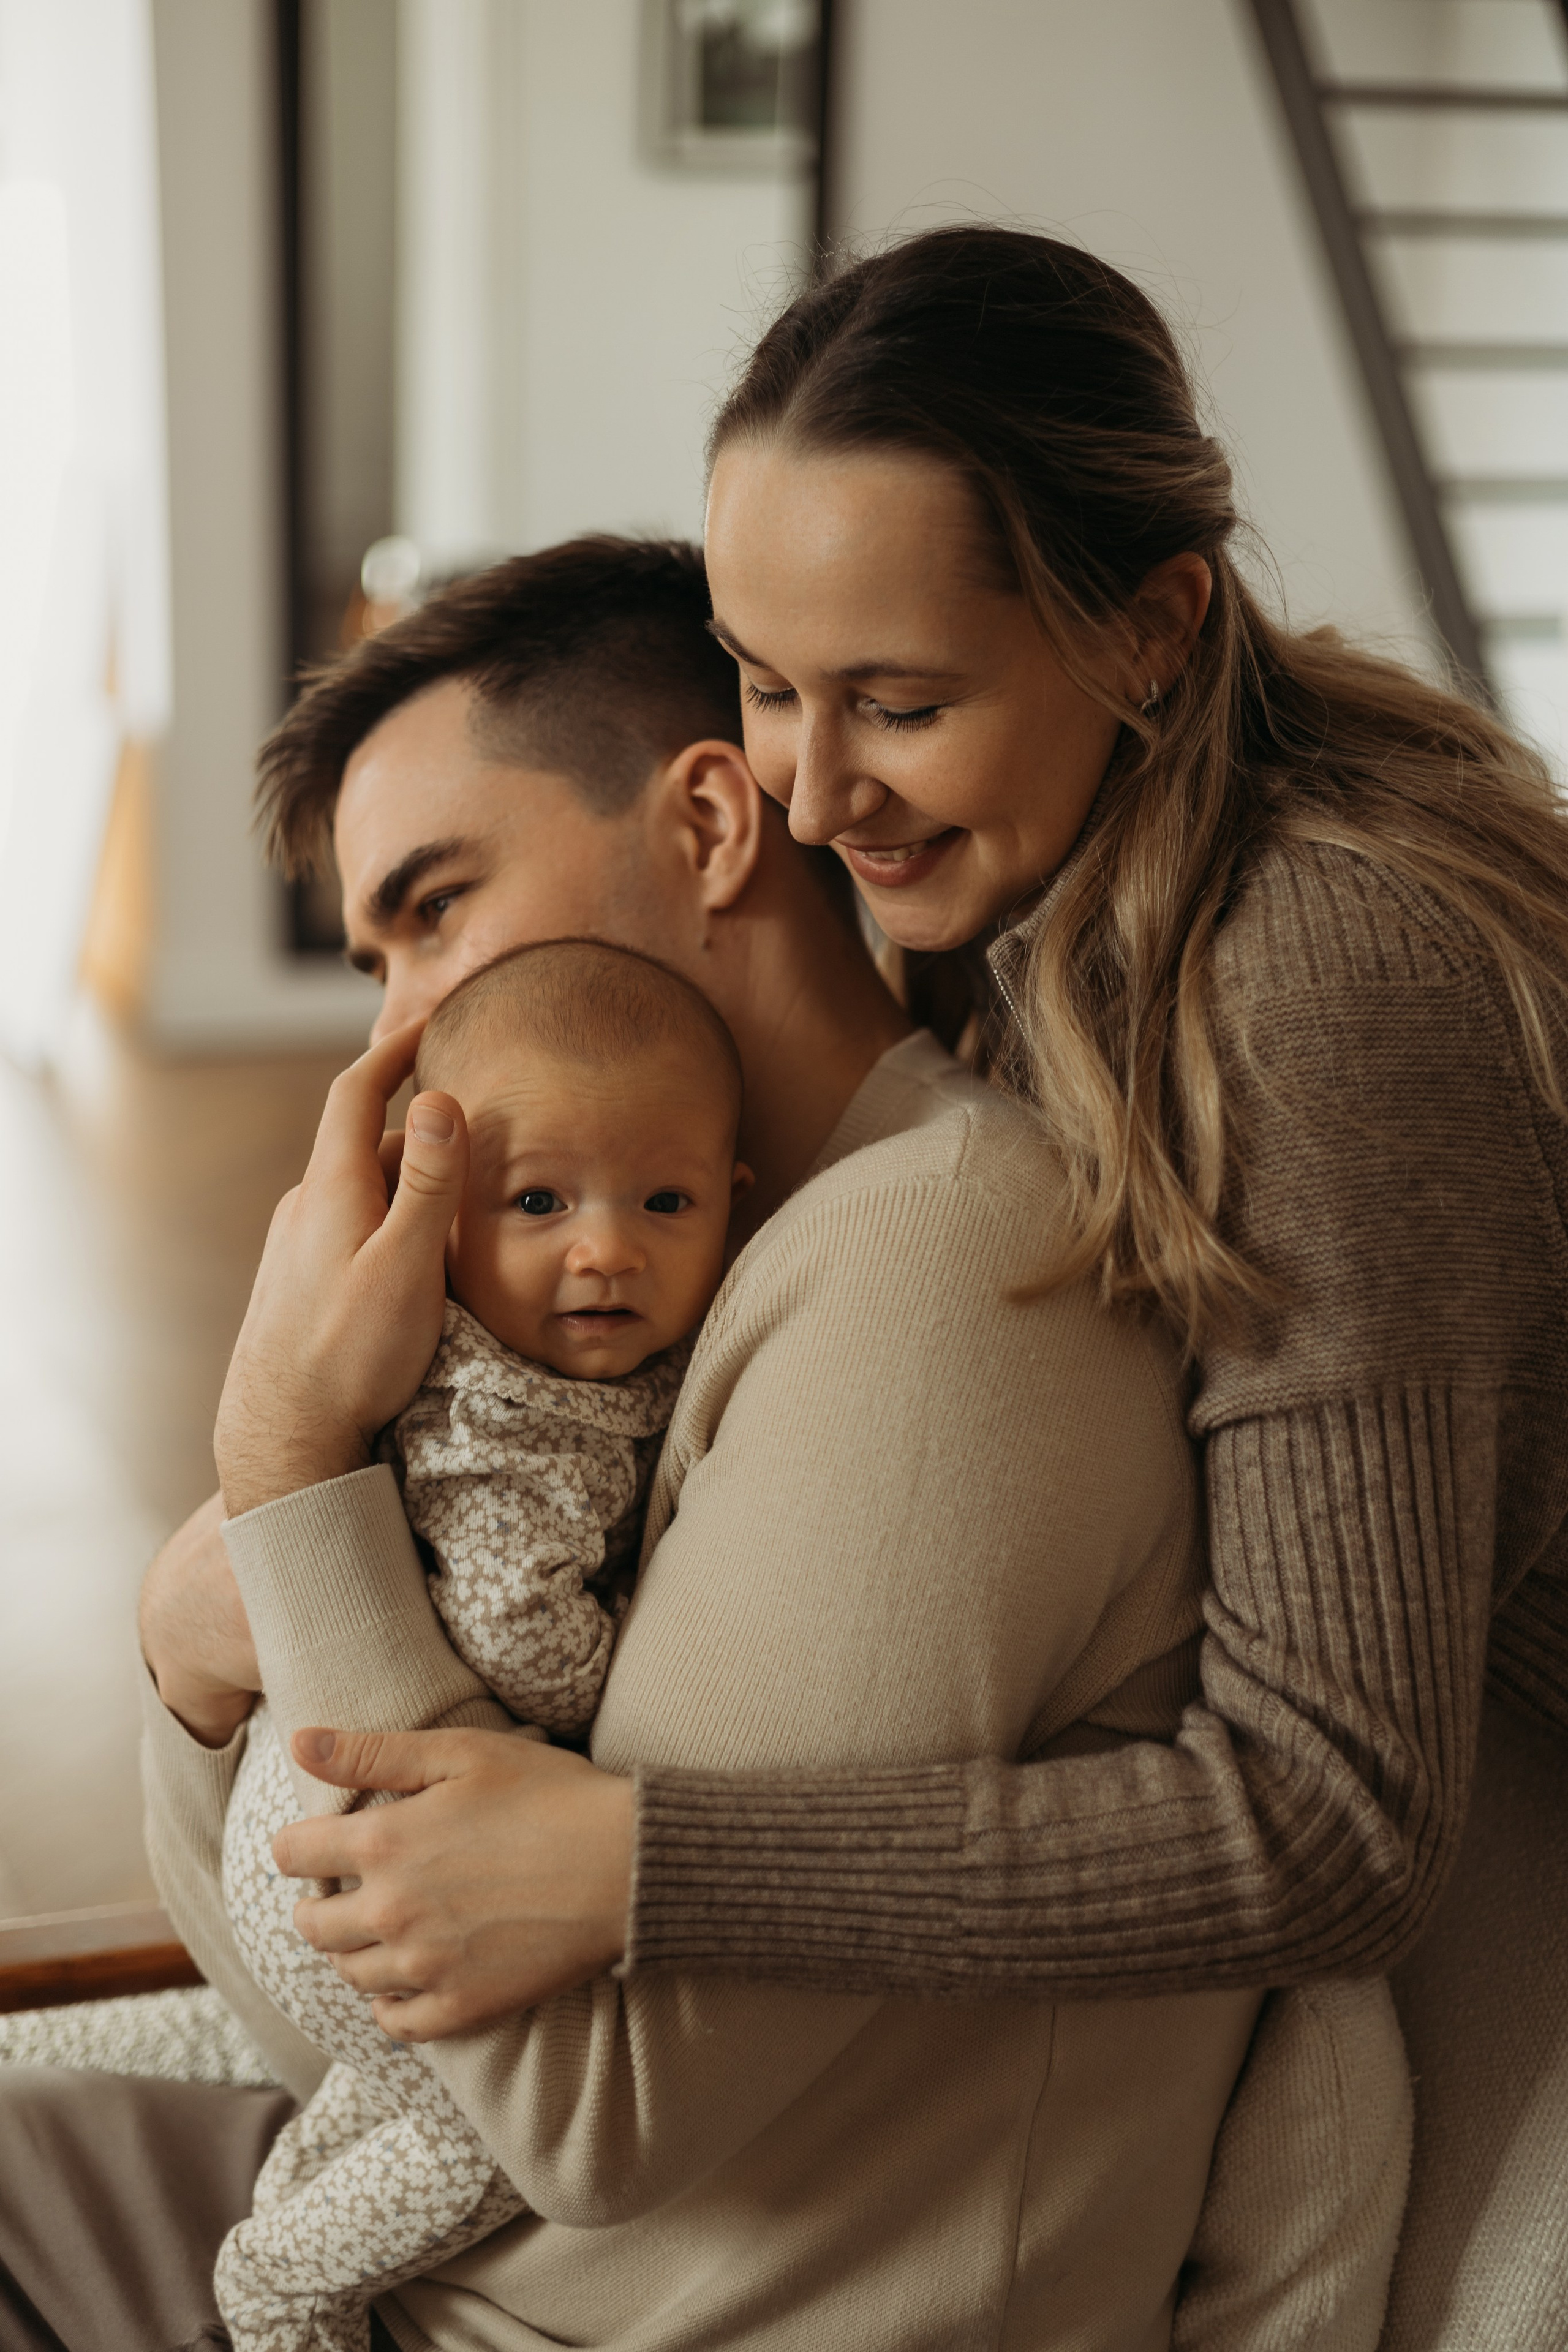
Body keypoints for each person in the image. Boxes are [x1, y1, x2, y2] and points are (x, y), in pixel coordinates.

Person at [216, 225, 1567, 2039]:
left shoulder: (1315, 971)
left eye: (903, 705)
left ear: (1151, 633)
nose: (808, 793)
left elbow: (1341, 1823)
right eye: (766, 683)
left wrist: (637, 1864)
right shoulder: (988, 906)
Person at [150, 537, 1278, 2348]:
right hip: (408, 2233)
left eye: (436, 909)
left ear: (705, 827)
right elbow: (290, 1979)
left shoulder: (941, 1259)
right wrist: (193, 1650)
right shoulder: (590, 1340)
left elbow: (599, 2110)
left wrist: (290, 1469)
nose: (399, 1029)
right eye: (375, 960)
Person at [211, 938, 749, 2352]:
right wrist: (644, 1653)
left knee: (364, 2131)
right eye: (536, 1202)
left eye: (667, 1200)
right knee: (473, 2146)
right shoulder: (524, 1427)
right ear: (435, 1218)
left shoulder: (501, 1352)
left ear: (736, 1205)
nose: (605, 1250)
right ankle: (268, 2302)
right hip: (362, 1860)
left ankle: (287, 2220)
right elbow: (521, 1629)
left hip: (310, 1823)